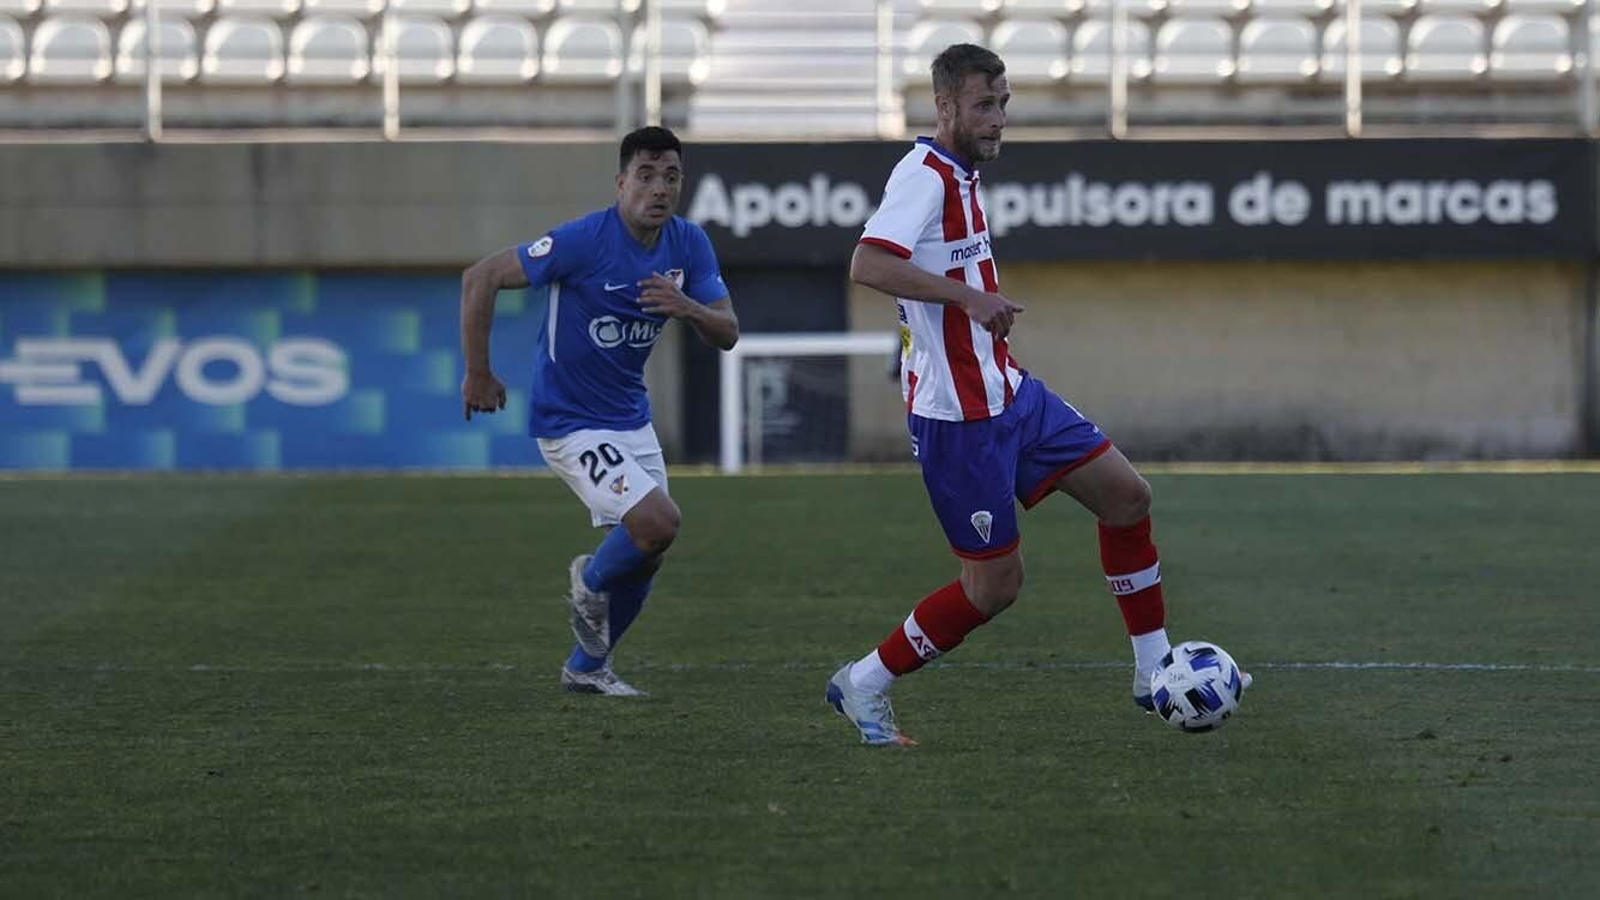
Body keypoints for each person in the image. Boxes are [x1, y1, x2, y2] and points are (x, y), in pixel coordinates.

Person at [826, 44, 1247, 745]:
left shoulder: (962, 176)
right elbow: (867, 263)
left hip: (1011, 393)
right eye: (984, 105)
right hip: (958, 423)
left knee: (1128, 497)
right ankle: (864, 681)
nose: (997, 120)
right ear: (945, 106)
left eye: (1004, 104)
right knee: (994, 588)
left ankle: (1151, 672)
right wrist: (966, 297)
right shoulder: (923, 176)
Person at [460, 126, 739, 696]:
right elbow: (481, 277)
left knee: (647, 552)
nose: (659, 189)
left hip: (630, 418)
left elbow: (729, 332)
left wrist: (687, 307)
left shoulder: (689, 244)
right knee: (659, 521)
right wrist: (480, 372)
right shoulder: (583, 241)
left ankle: (586, 669)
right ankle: (587, 580)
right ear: (620, 183)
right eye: (645, 176)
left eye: (671, 177)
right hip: (569, 420)